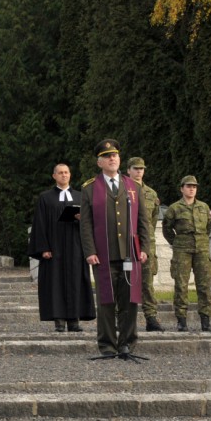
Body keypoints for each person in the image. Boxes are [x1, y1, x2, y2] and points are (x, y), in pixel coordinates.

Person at [80, 139, 150, 356]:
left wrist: (144, 247)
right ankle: (108, 345)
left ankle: (127, 342)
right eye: (107, 156)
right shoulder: (90, 189)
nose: (112, 158)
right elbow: (86, 224)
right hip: (104, 255)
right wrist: (90, 251)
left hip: (129, 253)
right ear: (99, 162)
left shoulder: (132, 187)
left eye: (115, 155)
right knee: (106, 302)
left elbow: (143, 220)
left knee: (130, 301)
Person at [27, 163, 95, 332]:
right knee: (55, 283)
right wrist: (44, 248)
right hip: (54, 248)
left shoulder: (81, 196)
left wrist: (82, 219)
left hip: (75, 248)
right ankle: (59, 320)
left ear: (70, 175)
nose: (64, 175)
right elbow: (40, 224)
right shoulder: (46, 198)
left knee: (76, 282)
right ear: (54, 176)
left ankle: (74, 321)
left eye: (66, 172)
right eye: (60, 173)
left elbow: (91, 223)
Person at [162, 175, 211, 332]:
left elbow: (208, 227)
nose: (192, 188)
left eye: (194, 186)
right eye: (188, 186)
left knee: (204, 285)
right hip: (182, 250)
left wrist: (201, 240)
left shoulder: (204, 207)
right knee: (181, 286)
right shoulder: (174, 208)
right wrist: (177, 242)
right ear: (182, 188)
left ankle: (205, 320)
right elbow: (166, 229)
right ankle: (181, 321)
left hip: (202, 250)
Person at [126, 157, 164, 332]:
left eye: (141, 168)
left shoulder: (151, 193)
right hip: (126, 241)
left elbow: (152, 220)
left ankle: (151, 317)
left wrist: (146, 241)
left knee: (147, 282)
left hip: (146, 243)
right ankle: (126, 319)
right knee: (126, 281)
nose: (139, 171)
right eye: (135, 168)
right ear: (128, 170)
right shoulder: (121, 189)